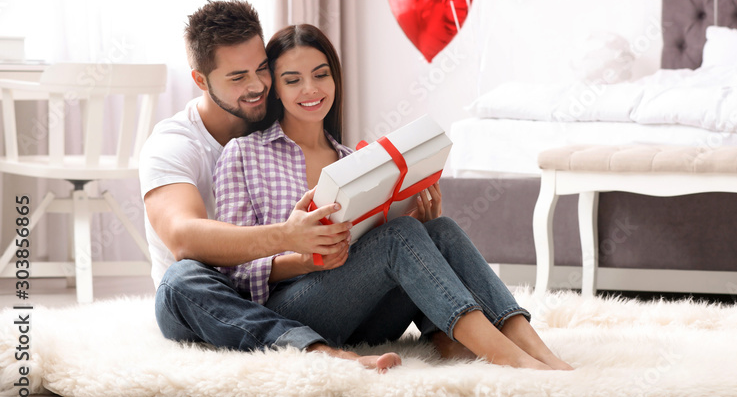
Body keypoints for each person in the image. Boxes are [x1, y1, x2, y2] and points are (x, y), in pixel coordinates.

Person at [214, 24, 573, 370]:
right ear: (274, 88)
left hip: (363, 318)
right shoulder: (243, 154)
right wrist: (302, 259)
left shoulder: (351, 161)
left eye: (321, 75)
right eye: (292, 80)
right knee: (400, 238)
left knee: (440, 229)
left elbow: (373, 247)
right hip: (291, 316)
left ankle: (539, 353)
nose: (310, 89)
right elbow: (232, 270)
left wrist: (420, 223)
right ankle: (509, 358)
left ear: (335, 79)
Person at [140, 0, 399, 372]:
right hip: (207, 302)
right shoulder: (174, 144)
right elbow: (183, 237)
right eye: (237, 77)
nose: (258, 85)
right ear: (200, 80)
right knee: (182, 278)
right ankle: (315, 353)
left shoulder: (276, 130)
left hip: (277, 294)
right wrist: (288, 237)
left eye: (262, 68)